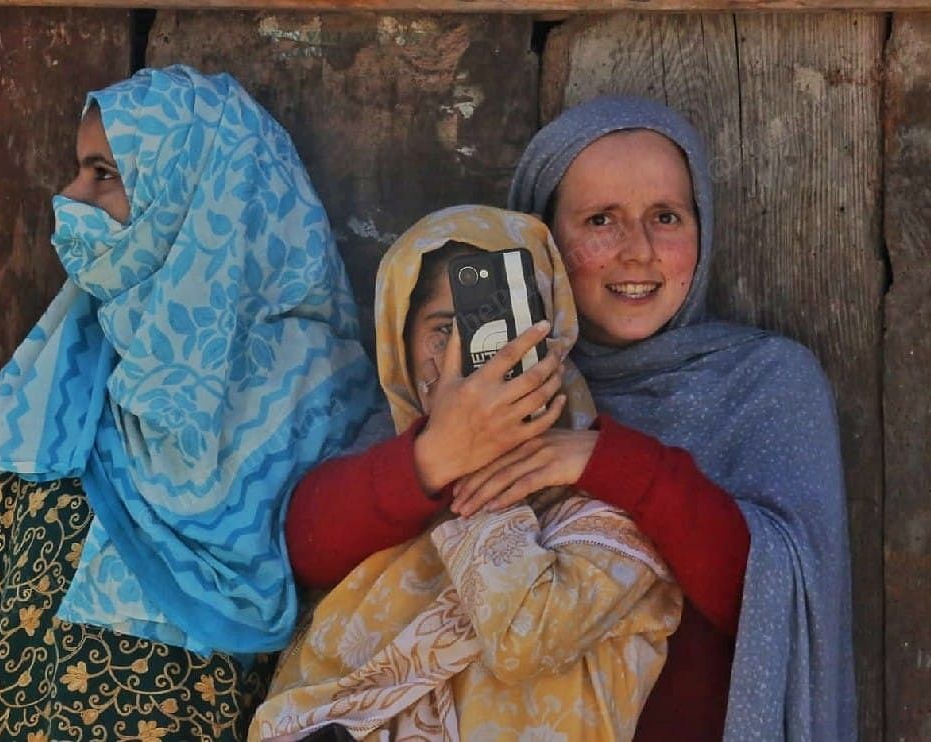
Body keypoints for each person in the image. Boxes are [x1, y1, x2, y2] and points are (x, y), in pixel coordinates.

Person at [286, 97, 855, 740]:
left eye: (666, 217)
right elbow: (308, 549)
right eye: (600, 220)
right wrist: (438, 453)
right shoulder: (465, 383)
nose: (637, 251)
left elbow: (779, 603)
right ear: (545, 242)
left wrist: (602, 462)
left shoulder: (764, 382)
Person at [0, 65, 379, 741]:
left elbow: (346, 645)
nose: (70, 195)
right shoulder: (42, 380)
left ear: (195, 188)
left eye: (102, 174)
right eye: (79, 171)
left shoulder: (316, 398)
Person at [250, 205, 683, 742]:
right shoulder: (373, 478)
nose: (473, 356)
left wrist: (483, 464)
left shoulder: (607, 509)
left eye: (503, 330)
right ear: (397, 349)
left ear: (553, 345)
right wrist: (440, 455)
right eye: (443, 330)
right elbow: (301, 552)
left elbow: (525, 638)